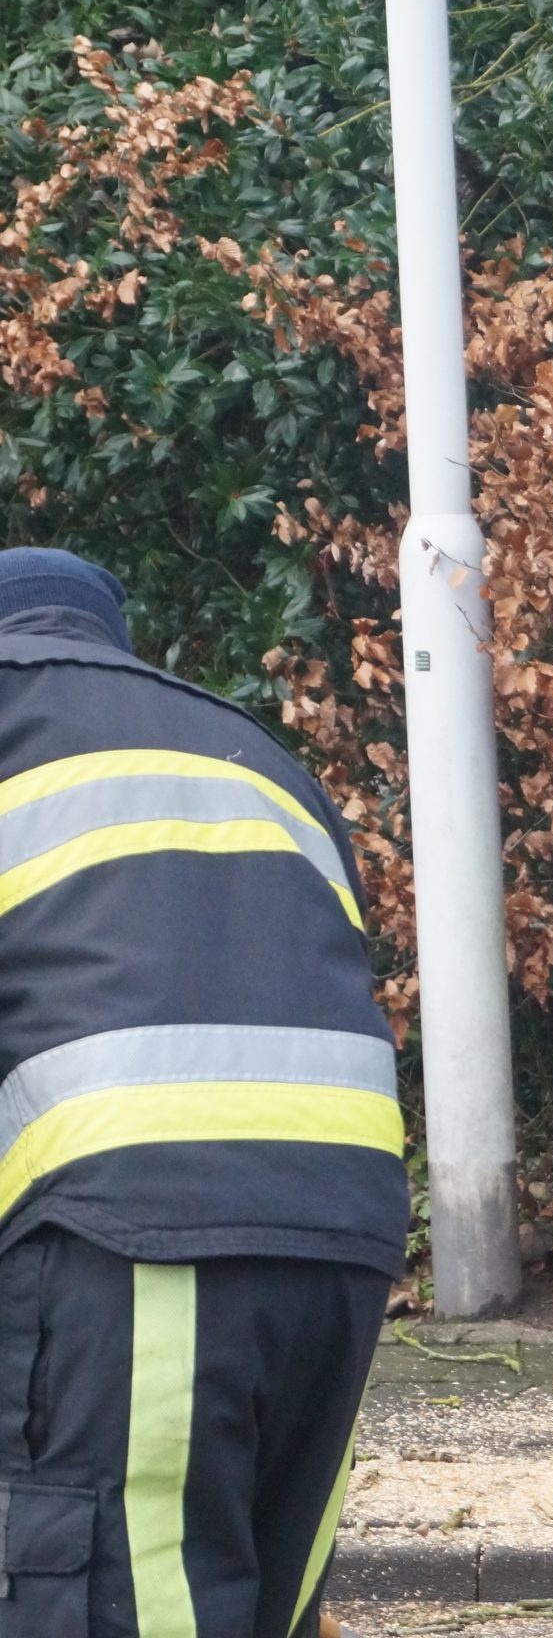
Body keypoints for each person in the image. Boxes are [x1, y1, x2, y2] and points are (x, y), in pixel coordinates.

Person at [0, 549, 408, 1636]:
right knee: (265, 1602)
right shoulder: (254, 753)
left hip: (135, 1227)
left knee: (116, 1600)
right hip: (344, 1236)